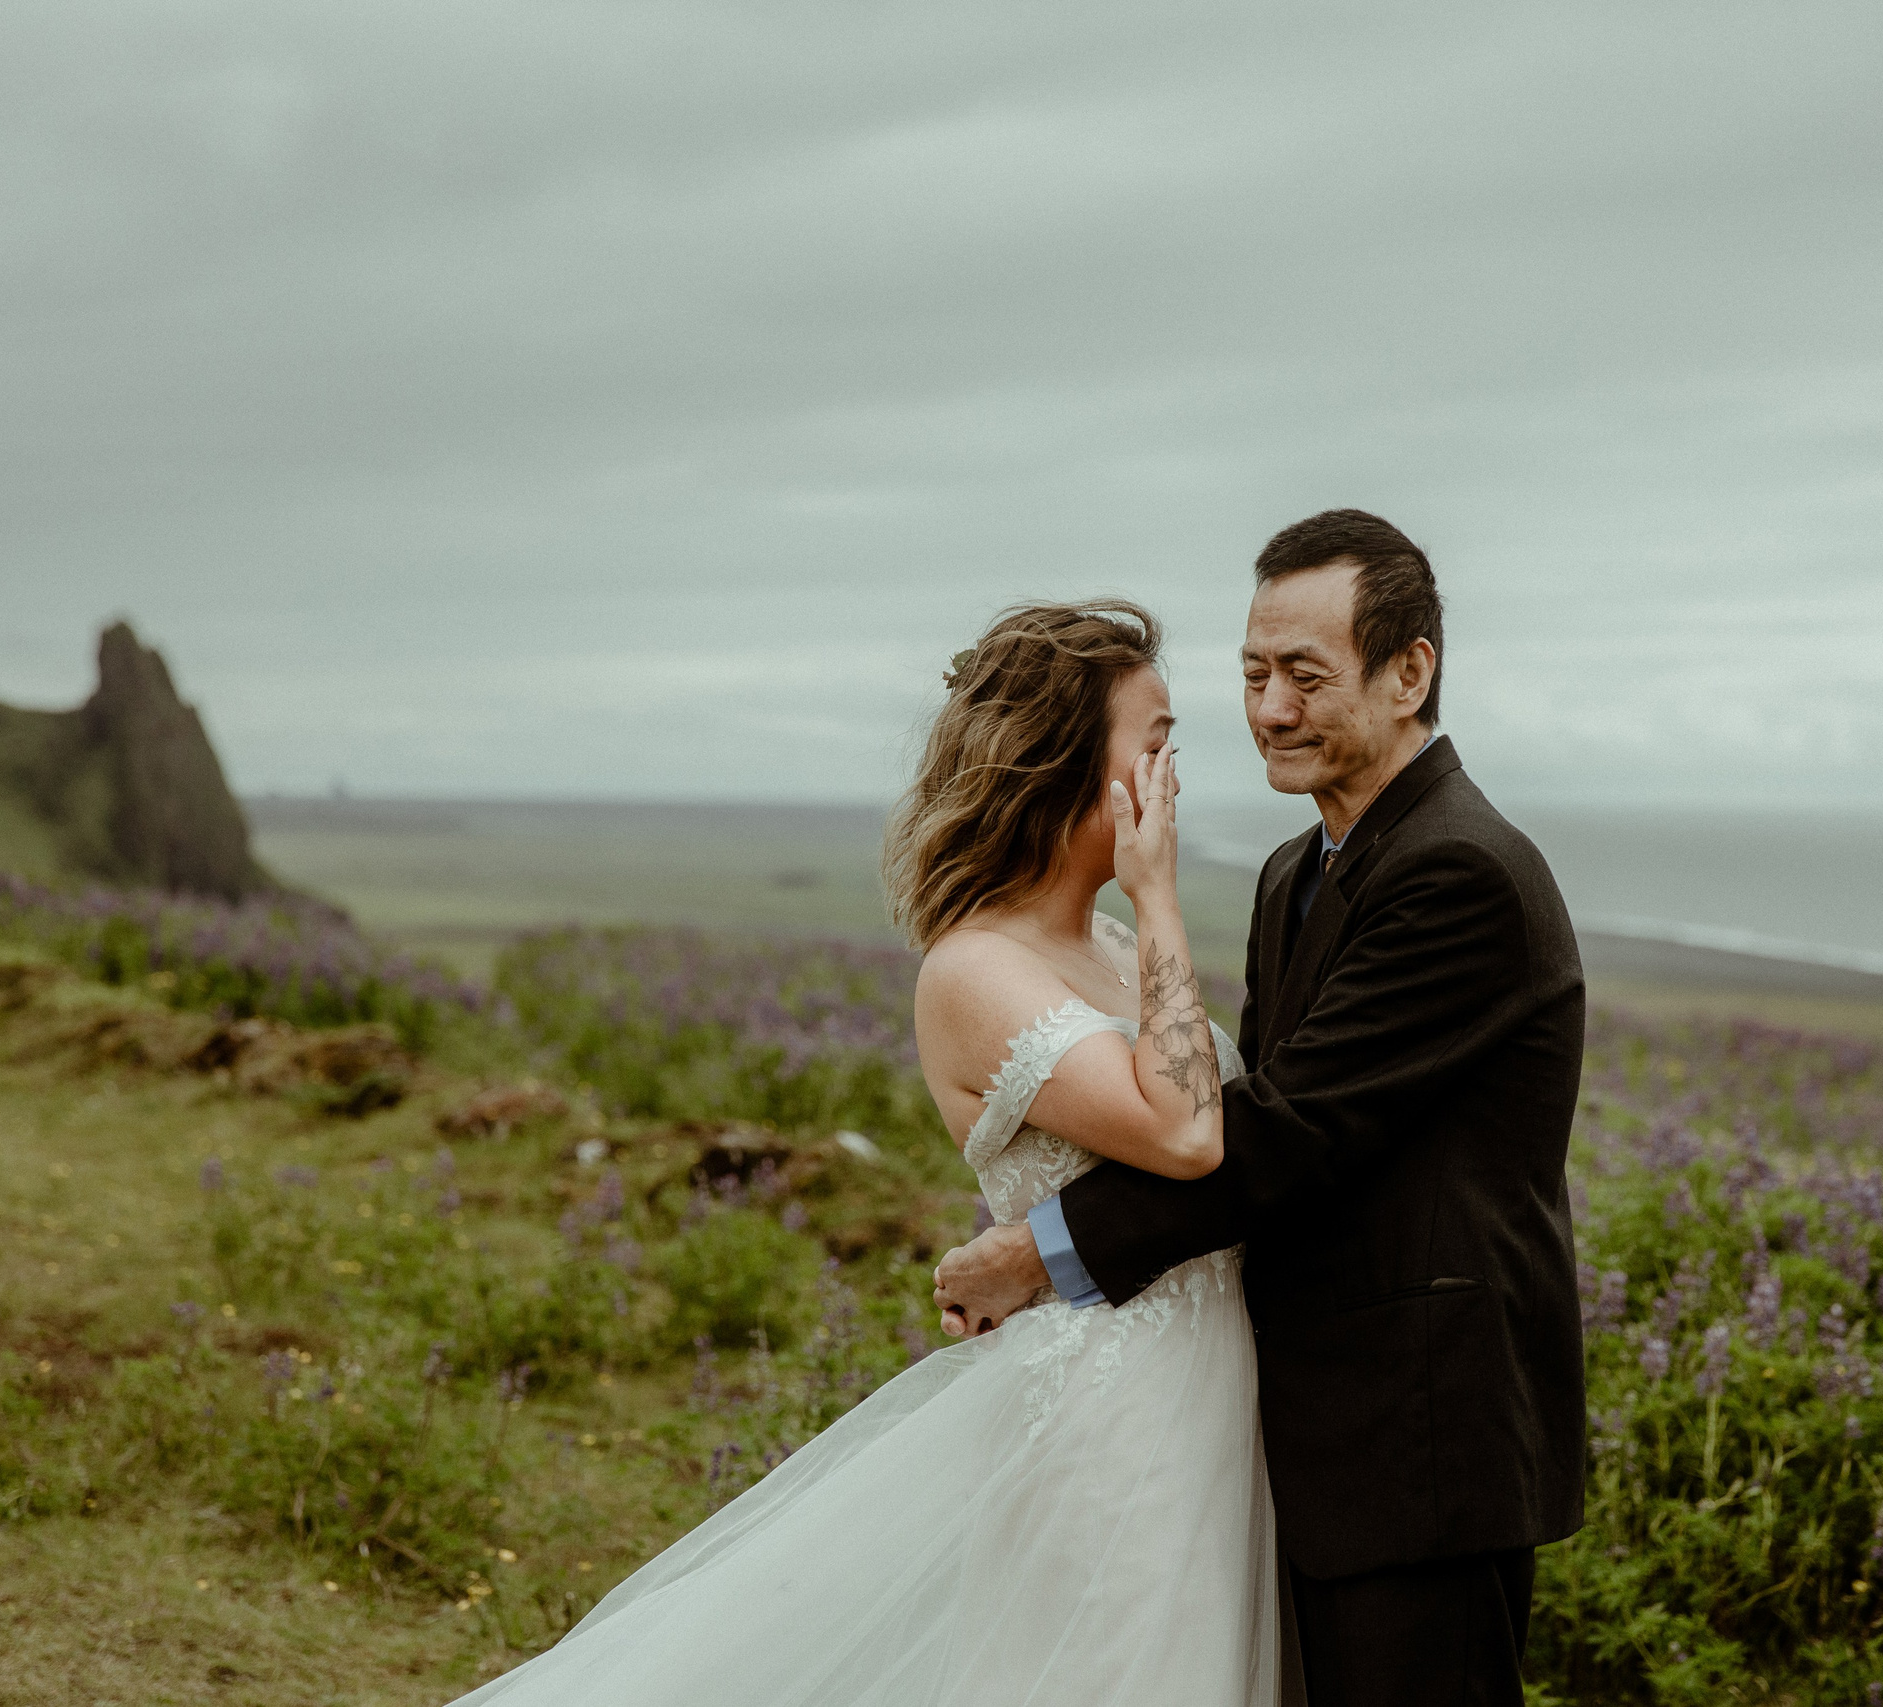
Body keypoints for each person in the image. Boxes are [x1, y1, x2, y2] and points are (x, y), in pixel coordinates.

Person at [454, 599, 1279, 1705]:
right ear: (1065, 762)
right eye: (1157, 738)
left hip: (1215, 1403)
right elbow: (1185, 1134)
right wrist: (1163, 887)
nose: (1177, 768)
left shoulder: (1119, 947)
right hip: (1113, 1416)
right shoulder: (976, 969)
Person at [935, 510, 1590, 1707]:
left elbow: (1286, 1135)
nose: (1271, 710)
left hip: (1419, 1441)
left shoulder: (1461, 871)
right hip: (1284, 1431)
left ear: (1410, 673)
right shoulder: (1302, 869)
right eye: (1252, 674)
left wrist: (1044, 1253)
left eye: (1306, 675)